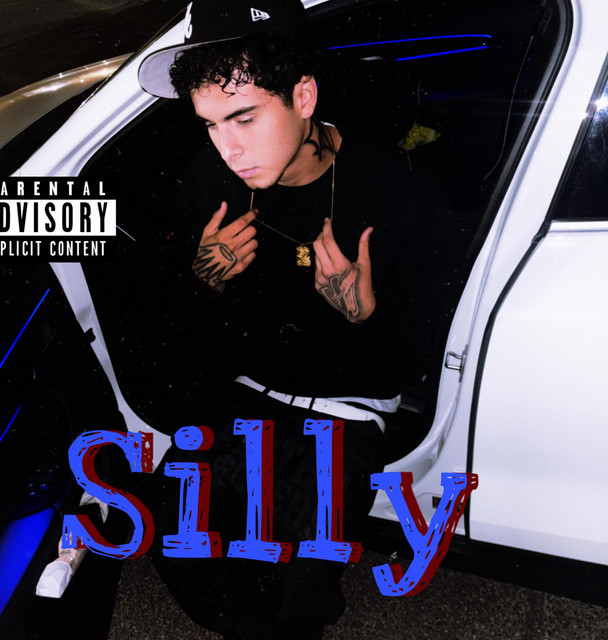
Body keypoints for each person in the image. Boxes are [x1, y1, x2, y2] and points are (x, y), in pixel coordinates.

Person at [137, 1, 450, 638]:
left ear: (303, 97)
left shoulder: (389, 184)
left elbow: (433, 347)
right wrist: (203, 281)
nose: (228, 147)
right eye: (210, 124)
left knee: (304, 583)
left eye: (245, 117)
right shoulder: (210, 181)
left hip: (347, 409)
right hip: (248, 394)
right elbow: (174, 326)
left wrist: (365, 314)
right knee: (174, 530)